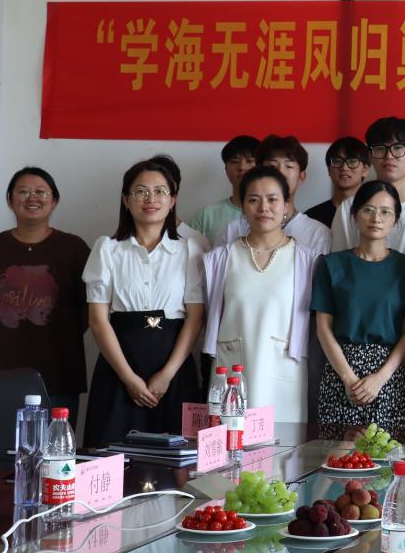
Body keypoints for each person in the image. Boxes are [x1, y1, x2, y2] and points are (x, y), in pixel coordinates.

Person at [83, 160, 204, 447]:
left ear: (172, 200)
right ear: (126, 200)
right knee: (111, 455)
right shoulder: (107, 248)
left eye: (160, 191)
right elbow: (98, 320)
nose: (151, 199)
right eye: (140, 191)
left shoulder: (190, 249)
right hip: (119, 366)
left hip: (174, 368)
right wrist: (129, 378)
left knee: (179, 456)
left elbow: (196, 317)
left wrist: (167, 375)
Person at [0, 167, 91, 423]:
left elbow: (91, 309)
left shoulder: (74, 248)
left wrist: (68, 333)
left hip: (59, 371)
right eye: (23, 192)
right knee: (0, 444)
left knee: (54, 445)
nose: (32, 198)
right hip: (0, 372)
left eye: (41, 191)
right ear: (10, 200)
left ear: (54, 200)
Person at [203, 166, 320, 424]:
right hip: (231, 367)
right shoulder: (220, 258)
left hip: (284, 372)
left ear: (286, 205)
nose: (263, 207)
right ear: (243, 206)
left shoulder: (308, 261)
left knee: (283, 442)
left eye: (273, 199)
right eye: (253, 199)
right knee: (230, 437)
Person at [312, 180, 405, 430]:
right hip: (340, 372)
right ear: (355, 214)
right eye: (368, 210)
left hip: (388, 376)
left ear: (395, 219)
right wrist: (348, 378)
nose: (376, 218)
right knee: (337, 451)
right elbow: (323, 328)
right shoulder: (331, 264)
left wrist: (380, 378)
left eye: (385, 212)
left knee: (386, 450)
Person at [331, 116, 405, 254]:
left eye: (398, 148)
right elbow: (337, 262)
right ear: (370, 156)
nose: (389, 156)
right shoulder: (347, 209)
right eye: (380, 148)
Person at [217, 134, 331, 254]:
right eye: (272, 166)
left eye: (288, 166)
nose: (280, 172)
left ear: (301, 177)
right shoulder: (232, 231)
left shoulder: (318, 234)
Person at [190, 134, 259, 244]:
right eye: (235, 161)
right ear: (226, 169)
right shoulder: (206, 215)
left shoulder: (273, 213)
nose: (242, 167)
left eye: (250, 161)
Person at [151, 154, 211, 252]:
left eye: (161, 190)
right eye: (142, 190)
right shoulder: (128, 239)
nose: (151, 198)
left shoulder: (194, 240)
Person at [306, 136, 369, 228]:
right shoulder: (311, 217)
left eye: (352, 161)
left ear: (365, 170)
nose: (344, 167)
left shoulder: (374, 214)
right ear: (329, 170)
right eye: (337, 161)